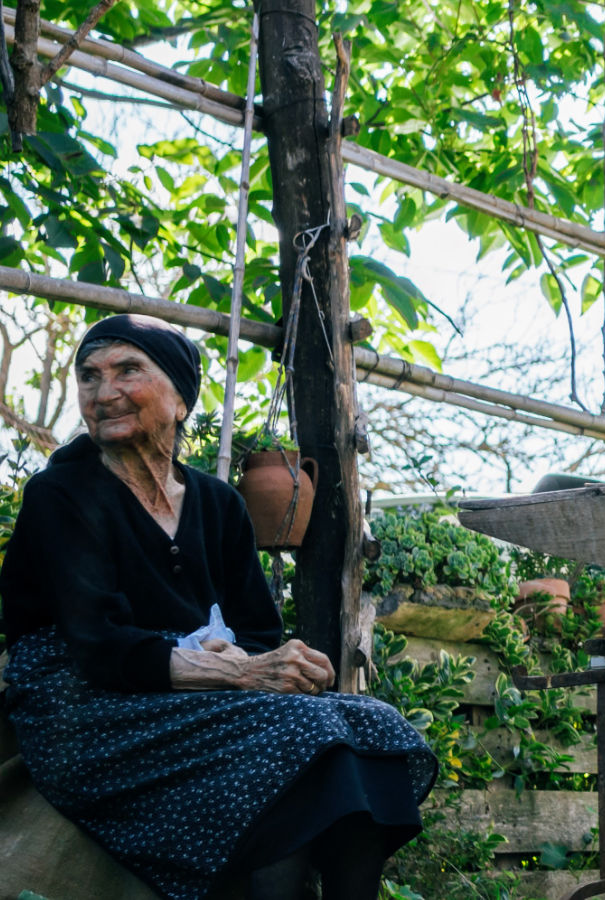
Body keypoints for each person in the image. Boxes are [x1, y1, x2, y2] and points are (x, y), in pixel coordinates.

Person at [0, 314, 438, 900]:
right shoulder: (62, 495)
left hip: (192, 695)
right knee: (304, 739)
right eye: (89, 377)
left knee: (374, 726)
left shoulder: (217, 502)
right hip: (87, 703)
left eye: (128, 370)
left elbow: (257, 629)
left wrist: (252, 660)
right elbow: (96, 644)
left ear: (181, 399)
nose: (104, 393)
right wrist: (238, 670)